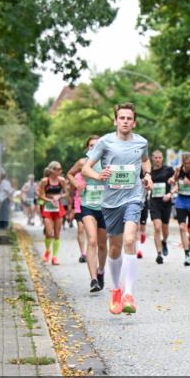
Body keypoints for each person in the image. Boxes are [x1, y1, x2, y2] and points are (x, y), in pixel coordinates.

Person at [82, 102, 152, 314]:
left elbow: (145, 161)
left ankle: (129, 295)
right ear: (115, 121)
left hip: (133, 198)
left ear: (134, 122)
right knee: (114, 248)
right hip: (111, 202)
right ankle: (116, 289)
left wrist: (147, 175)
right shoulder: (104, 142)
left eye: (129, 118)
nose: (125, 121)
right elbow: (86, 168)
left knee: (130, 240)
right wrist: (98, 175)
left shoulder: (141, 142)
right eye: (122, 118)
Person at [68, 135, 107, 292]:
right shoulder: (83, 163)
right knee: (92, 240)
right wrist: (77, 183)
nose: (93, 148)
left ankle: (101, 271)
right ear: (87, 148)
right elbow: (70, 174)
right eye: (91, 146)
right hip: (87, 205)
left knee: (102, 244)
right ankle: (93, 280)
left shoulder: (107, 163)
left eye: (96, 145)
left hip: (104, 207)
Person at [37, 161, 69, 264]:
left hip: (58, 208)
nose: (60, 171)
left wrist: (59, 196)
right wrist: (50, 199)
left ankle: (54, 257)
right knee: (48, 233)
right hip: (47, 208)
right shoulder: (44, 181)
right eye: (58, 169)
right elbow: (40, 195)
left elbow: (66, 193)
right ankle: (47, 251)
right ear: (52, 170)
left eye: (60, 169)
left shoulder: (62, 181)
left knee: (57, 234)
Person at [148, 149, 175, 264]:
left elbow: (176, 183)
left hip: (166, 203)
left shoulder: (168, 170)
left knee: (165, 229)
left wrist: (170, 193)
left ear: (162, 159)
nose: (158, 160)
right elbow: (145, 183)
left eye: (160, 158)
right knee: (157, 227)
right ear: (152, 159)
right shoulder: (149, 172)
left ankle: (164, 242)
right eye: (156, 158)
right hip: (154, 202)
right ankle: (159, 254)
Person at [173, 151, 190, 266]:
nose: (187, 165)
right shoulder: (178, 169)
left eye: (189, 163)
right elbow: (175, 181)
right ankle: (187, 255)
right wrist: (173, 184)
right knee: (182, 227)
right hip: (181, 201)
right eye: (185, 163)